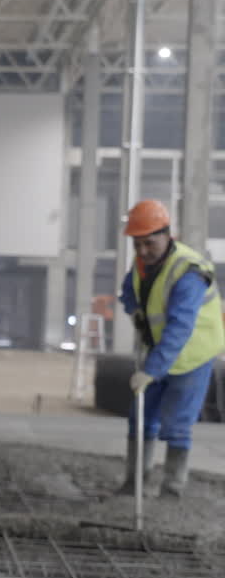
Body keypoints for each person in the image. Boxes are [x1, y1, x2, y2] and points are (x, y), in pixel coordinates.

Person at [118, 199, 224, 497]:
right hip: (158, 353)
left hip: (191, 356)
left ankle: (172, 490)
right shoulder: (142, 264)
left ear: (167, 235)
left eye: (149, 243)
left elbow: (179, 329)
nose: (142, 252)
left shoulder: (189, 273)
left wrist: (150, 371)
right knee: (140, 418)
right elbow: (129, 291)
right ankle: (134, 484)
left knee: (176, 425)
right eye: (137, 245)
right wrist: (134, 309)